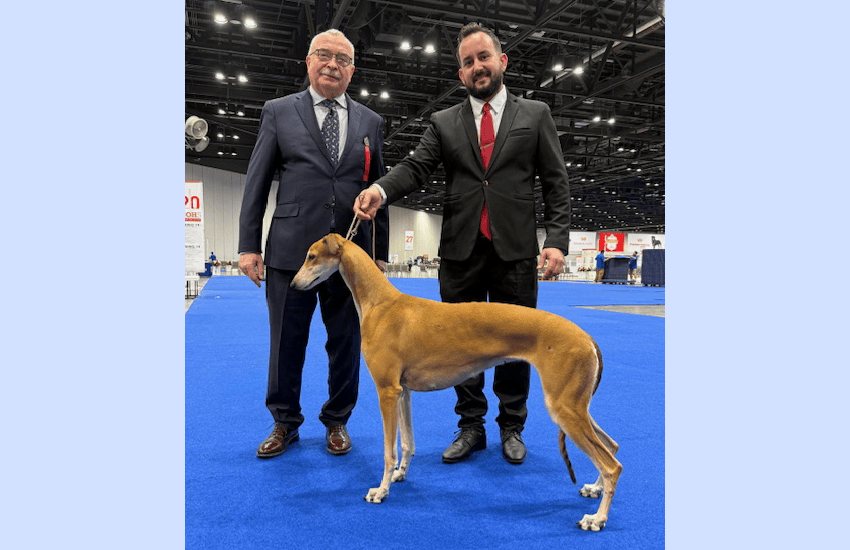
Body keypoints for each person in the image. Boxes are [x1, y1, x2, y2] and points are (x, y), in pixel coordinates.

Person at [354, 23, 570, 465]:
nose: (477, 67)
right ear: (461, 74)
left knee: (516, 344)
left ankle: (512, 426)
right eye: (468, 62)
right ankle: (471, 425)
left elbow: (555, 181)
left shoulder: (536, 114)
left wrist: (557, 240)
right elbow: (415, 168)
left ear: (502, 61)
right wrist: (380, 190)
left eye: (483, 57)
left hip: (515, 253)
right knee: (458, 347)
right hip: (460, 253)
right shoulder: (443, 122)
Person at [238, 28, 389, 459]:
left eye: (342, 59)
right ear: (308, 61)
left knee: (346, 343)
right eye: (324, 55)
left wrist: (378, 254)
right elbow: (257, 182)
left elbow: (378, 190)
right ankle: (284, 422)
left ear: (352, 70)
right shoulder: (278, 112)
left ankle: (337, 420)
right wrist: (249, 245)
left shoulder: (370, 122)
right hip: (290, 252)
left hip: (350, 259)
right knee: (286, 341)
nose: (333, 64)